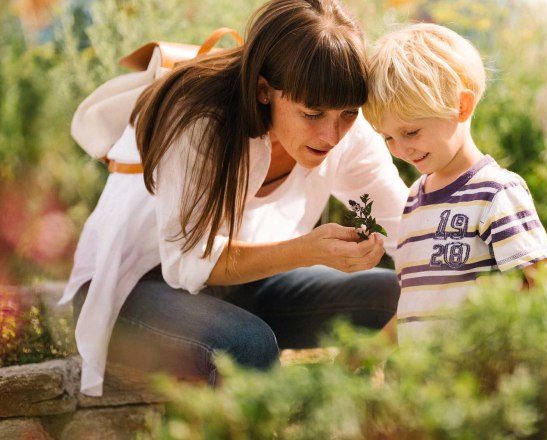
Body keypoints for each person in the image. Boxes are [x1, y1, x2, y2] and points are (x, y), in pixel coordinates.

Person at [59, 0, 408, 396]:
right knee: (247, 344)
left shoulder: (349, 131)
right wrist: (307, 250)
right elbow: (186, 264)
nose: (332, 135)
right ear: (264, 90)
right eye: (312, 114)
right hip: (133, 289)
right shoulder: (197, 120)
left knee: (395, 295)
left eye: (347, 113)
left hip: (240, 289)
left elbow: (410, 225)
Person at [362, 23, 547, 341]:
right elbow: (416, 306)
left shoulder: (496, 192)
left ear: (461, 107)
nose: (400, 149)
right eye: (388, 138)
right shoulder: (414, 201)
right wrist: (368, 353)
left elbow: (544, 288)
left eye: (410, 132)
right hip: (425, 383)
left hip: (481, 379)